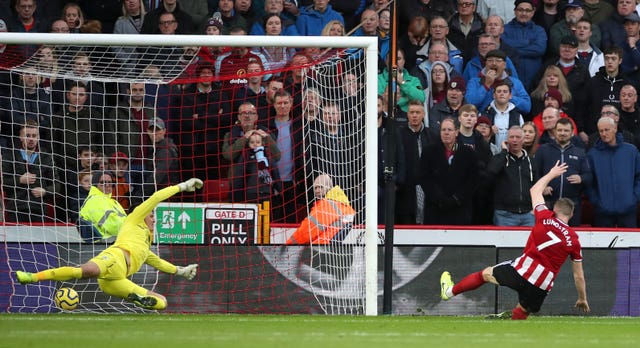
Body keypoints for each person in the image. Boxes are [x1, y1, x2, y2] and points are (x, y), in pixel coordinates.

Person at [15, 178, 204, 310]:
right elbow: (156, 198)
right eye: (152, 214)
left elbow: (158, 262)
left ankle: (138, 299)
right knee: (85, 271)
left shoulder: (145, 244)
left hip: (115, 281)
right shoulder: (134, 219)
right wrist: (182, 186)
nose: (154, 218)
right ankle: (32, 277)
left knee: (162, 302)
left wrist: (180, 270)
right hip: (114, 259)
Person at [440, 161, 590, 320]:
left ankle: (449, 291)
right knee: (523, 311)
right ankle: (512, 324)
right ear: (572, 215)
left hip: (521, 271)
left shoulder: (545, 217)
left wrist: (552, 174)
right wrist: (582, 298)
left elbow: (534, 190)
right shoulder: (574, 239)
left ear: (554, 210)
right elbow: (578, 275)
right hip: (542, 284)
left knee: (485, 274)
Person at [419, 117, 478, 225]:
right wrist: (439, 198)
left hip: (460, 210)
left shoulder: (468, 152)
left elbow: (472, 180)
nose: (446, 133)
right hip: (435, 209)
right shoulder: (429, 151)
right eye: (443, 130)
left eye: (449, 130)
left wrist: (456, 198)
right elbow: (425, 178)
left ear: (456, 132)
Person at [534, 118, 591, 226]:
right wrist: (542, 188)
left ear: (572, 132)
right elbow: (535, 173)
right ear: (555, 131)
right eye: (559, 130)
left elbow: (589, 176)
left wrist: (581, 178)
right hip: (548, 203)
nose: (562, 133)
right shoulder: (543, 150)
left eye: (566, 130)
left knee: (570, 237)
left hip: (571, 204)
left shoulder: (580, 153)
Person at [586, 116, 640, 227]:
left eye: (607, 130)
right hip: (603, 212)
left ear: (615, 128)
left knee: (629, 244)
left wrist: (634, 198)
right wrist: (597, 202)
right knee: (602, 244)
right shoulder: (592, 154)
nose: (603, 133)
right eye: (601, 131)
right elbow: (589, 181)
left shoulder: (631, 151)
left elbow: (639, 177)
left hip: (628, 210)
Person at [1, 120, 57, 223]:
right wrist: (19, 180)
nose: (31, 139)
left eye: (34, 136)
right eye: (27, 135)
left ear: (38, 137)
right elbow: (2, 183)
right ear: (21, 137)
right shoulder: (9, 155)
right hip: (16, 208)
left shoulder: (46, 157)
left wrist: (45, 191)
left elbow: (57, 186)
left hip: (39, 209)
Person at [485, 126, 536, 226]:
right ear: (507, 140)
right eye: (511, 137)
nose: (514, 140)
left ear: (523, 139)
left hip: (528, 214)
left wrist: (534, 208)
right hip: (504, 214)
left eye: (518, 137)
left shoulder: (531, 161)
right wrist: (504, 151)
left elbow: (537, 184)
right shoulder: (500, 159)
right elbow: (491, 171)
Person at [286, 173, 355, 245]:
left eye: (321, 187)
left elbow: (307, 231)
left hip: (320, 247)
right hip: (331, 247)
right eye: (315, 188)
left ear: (329, 187)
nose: (317, 190)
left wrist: (289, 244)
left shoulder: (325, 206)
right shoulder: (344, 204)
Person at [77, 171, 127, 243]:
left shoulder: (113, 202)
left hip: (115, 243)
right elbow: (112, 226)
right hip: (102, 246)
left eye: (110, 182)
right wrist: (131, 228)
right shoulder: (95, 200)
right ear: (95, 184)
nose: (107, 185)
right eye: (102, 182)